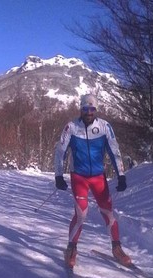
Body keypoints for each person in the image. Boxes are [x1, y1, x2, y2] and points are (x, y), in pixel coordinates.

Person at [54, 93, 131, 268]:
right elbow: (60, 152)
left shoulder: (104, 127)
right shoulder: (71, 127)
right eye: (85, 108)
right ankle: (71, 248)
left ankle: (117, 248)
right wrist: (58, 175)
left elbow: (114, 151)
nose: (89, 112)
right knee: (81, 214)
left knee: (108, 213)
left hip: (98, 177)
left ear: (96, 110)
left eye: (92, 109)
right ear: (81, 109)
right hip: (79, 177)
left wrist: (121, 175)